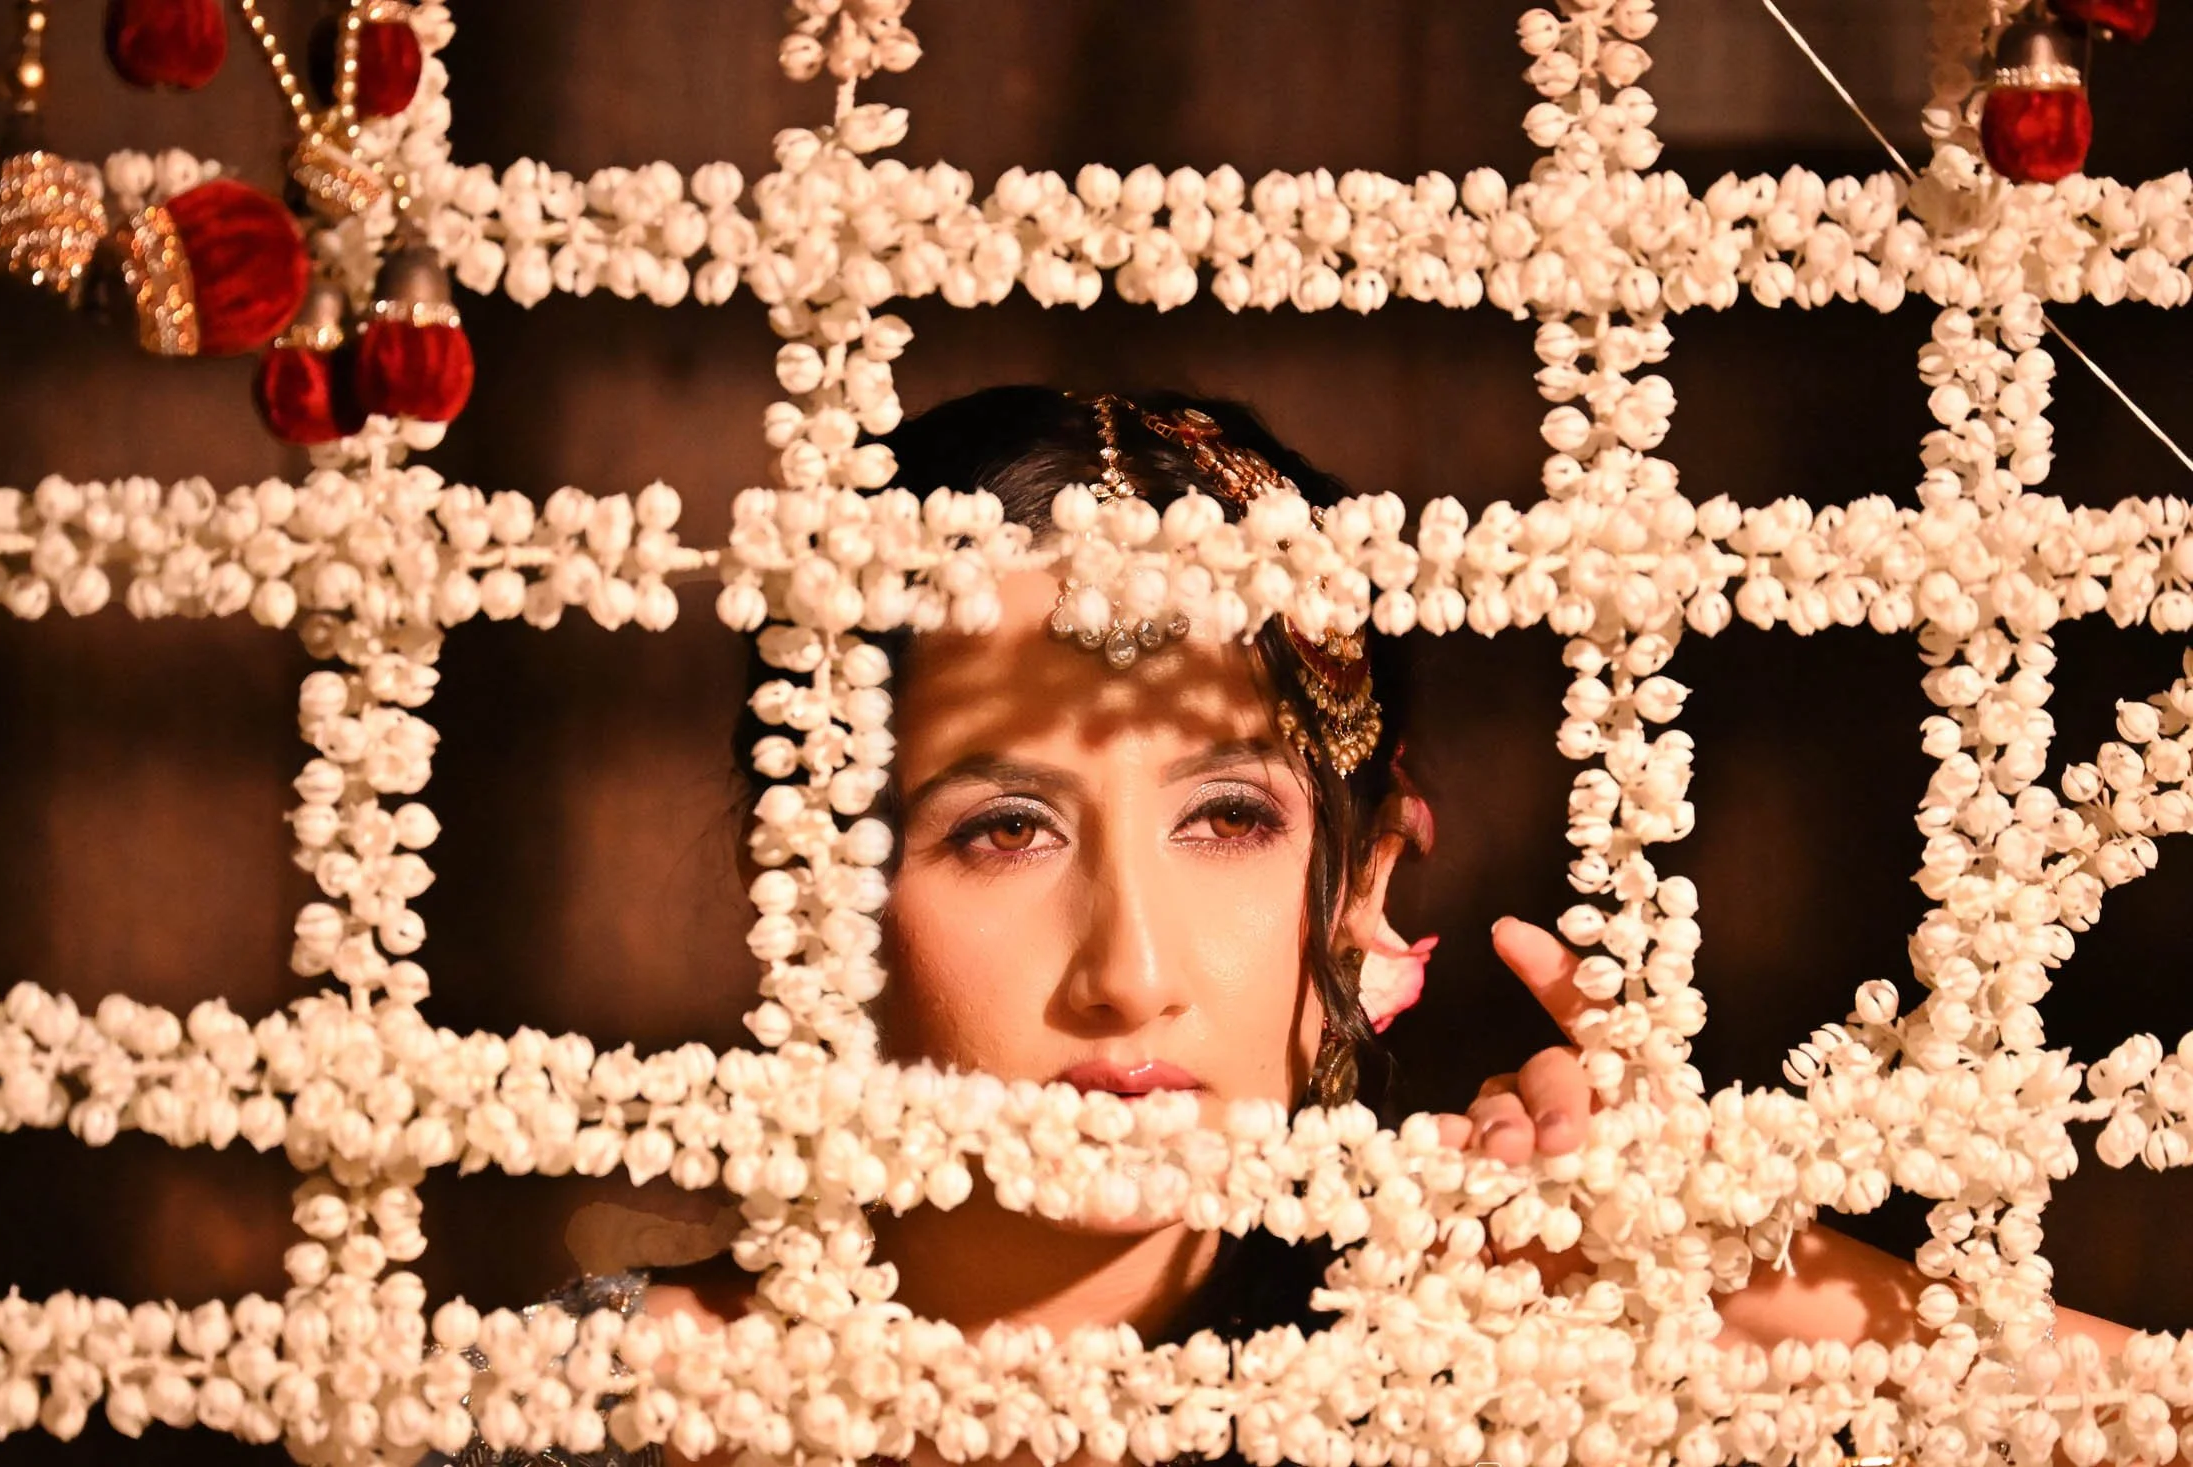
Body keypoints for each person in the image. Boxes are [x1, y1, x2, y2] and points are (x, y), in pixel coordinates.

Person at [450, 386, 2140, 1467]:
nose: (1132, 968)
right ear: (807, 901)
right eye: (1004, 830)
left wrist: (1736, 1280)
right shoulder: (585, 1418)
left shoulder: (1487, 1392)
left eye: (1229, 818)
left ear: (1362, 891)